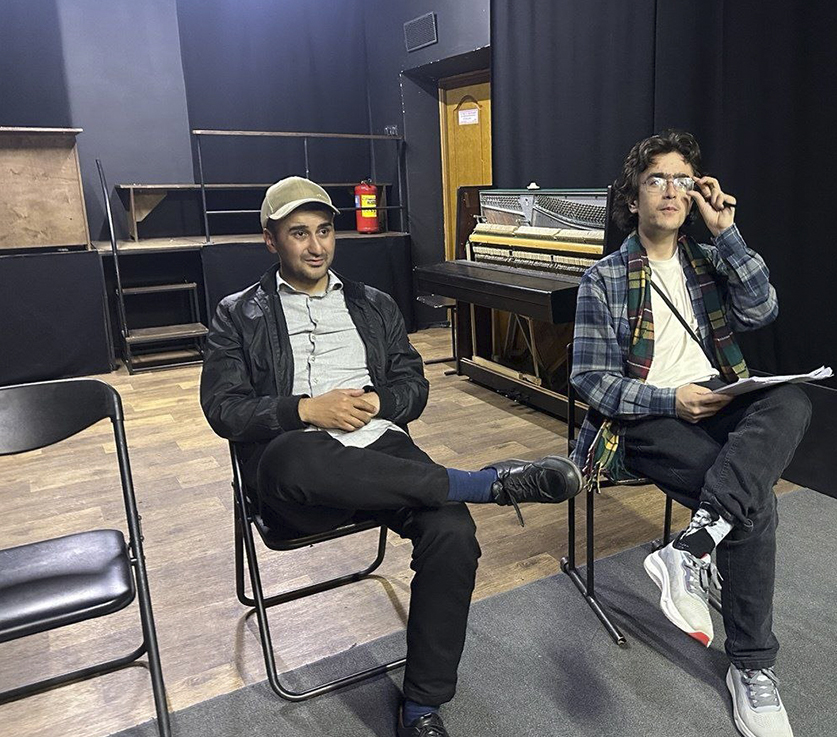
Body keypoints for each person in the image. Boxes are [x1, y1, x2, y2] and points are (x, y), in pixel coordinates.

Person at [200, 176, 582, 737]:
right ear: (270, 240)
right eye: (299, 233)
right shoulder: (239, 313)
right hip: (301, 474)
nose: (316, 246)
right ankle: (484, 484)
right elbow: (223, 409)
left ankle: (422, 706)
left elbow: (413, 386)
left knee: (453, 533)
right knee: (292, 458)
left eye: (325, 231)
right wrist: (306, 409)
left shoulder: (374, 304)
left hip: (381, 450)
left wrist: (381, 401)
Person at [570, 131, 812, 737]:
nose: (672, 190)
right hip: (645, 416)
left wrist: (727, 232)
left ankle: (691, 548)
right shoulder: (604, 277)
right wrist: (668, 399)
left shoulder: (708, 259)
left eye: (683, 180)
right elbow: (590, 381)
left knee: (792, 399)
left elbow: (762, 309)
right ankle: (751, 666)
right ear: (634, 198)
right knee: (754, 505)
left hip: (718, 394)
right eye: (657, 179)